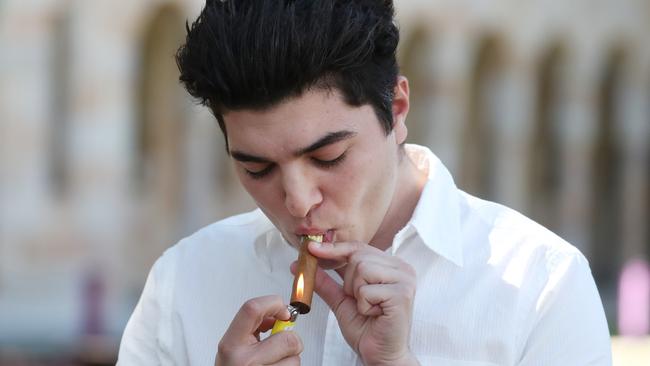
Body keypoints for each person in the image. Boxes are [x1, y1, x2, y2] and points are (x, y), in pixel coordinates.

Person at [117, 0, 612, 365]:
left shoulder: (544, 285)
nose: (298, 201)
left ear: (396, 110)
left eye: (328, 157)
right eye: (257, 169)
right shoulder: (183, 280)